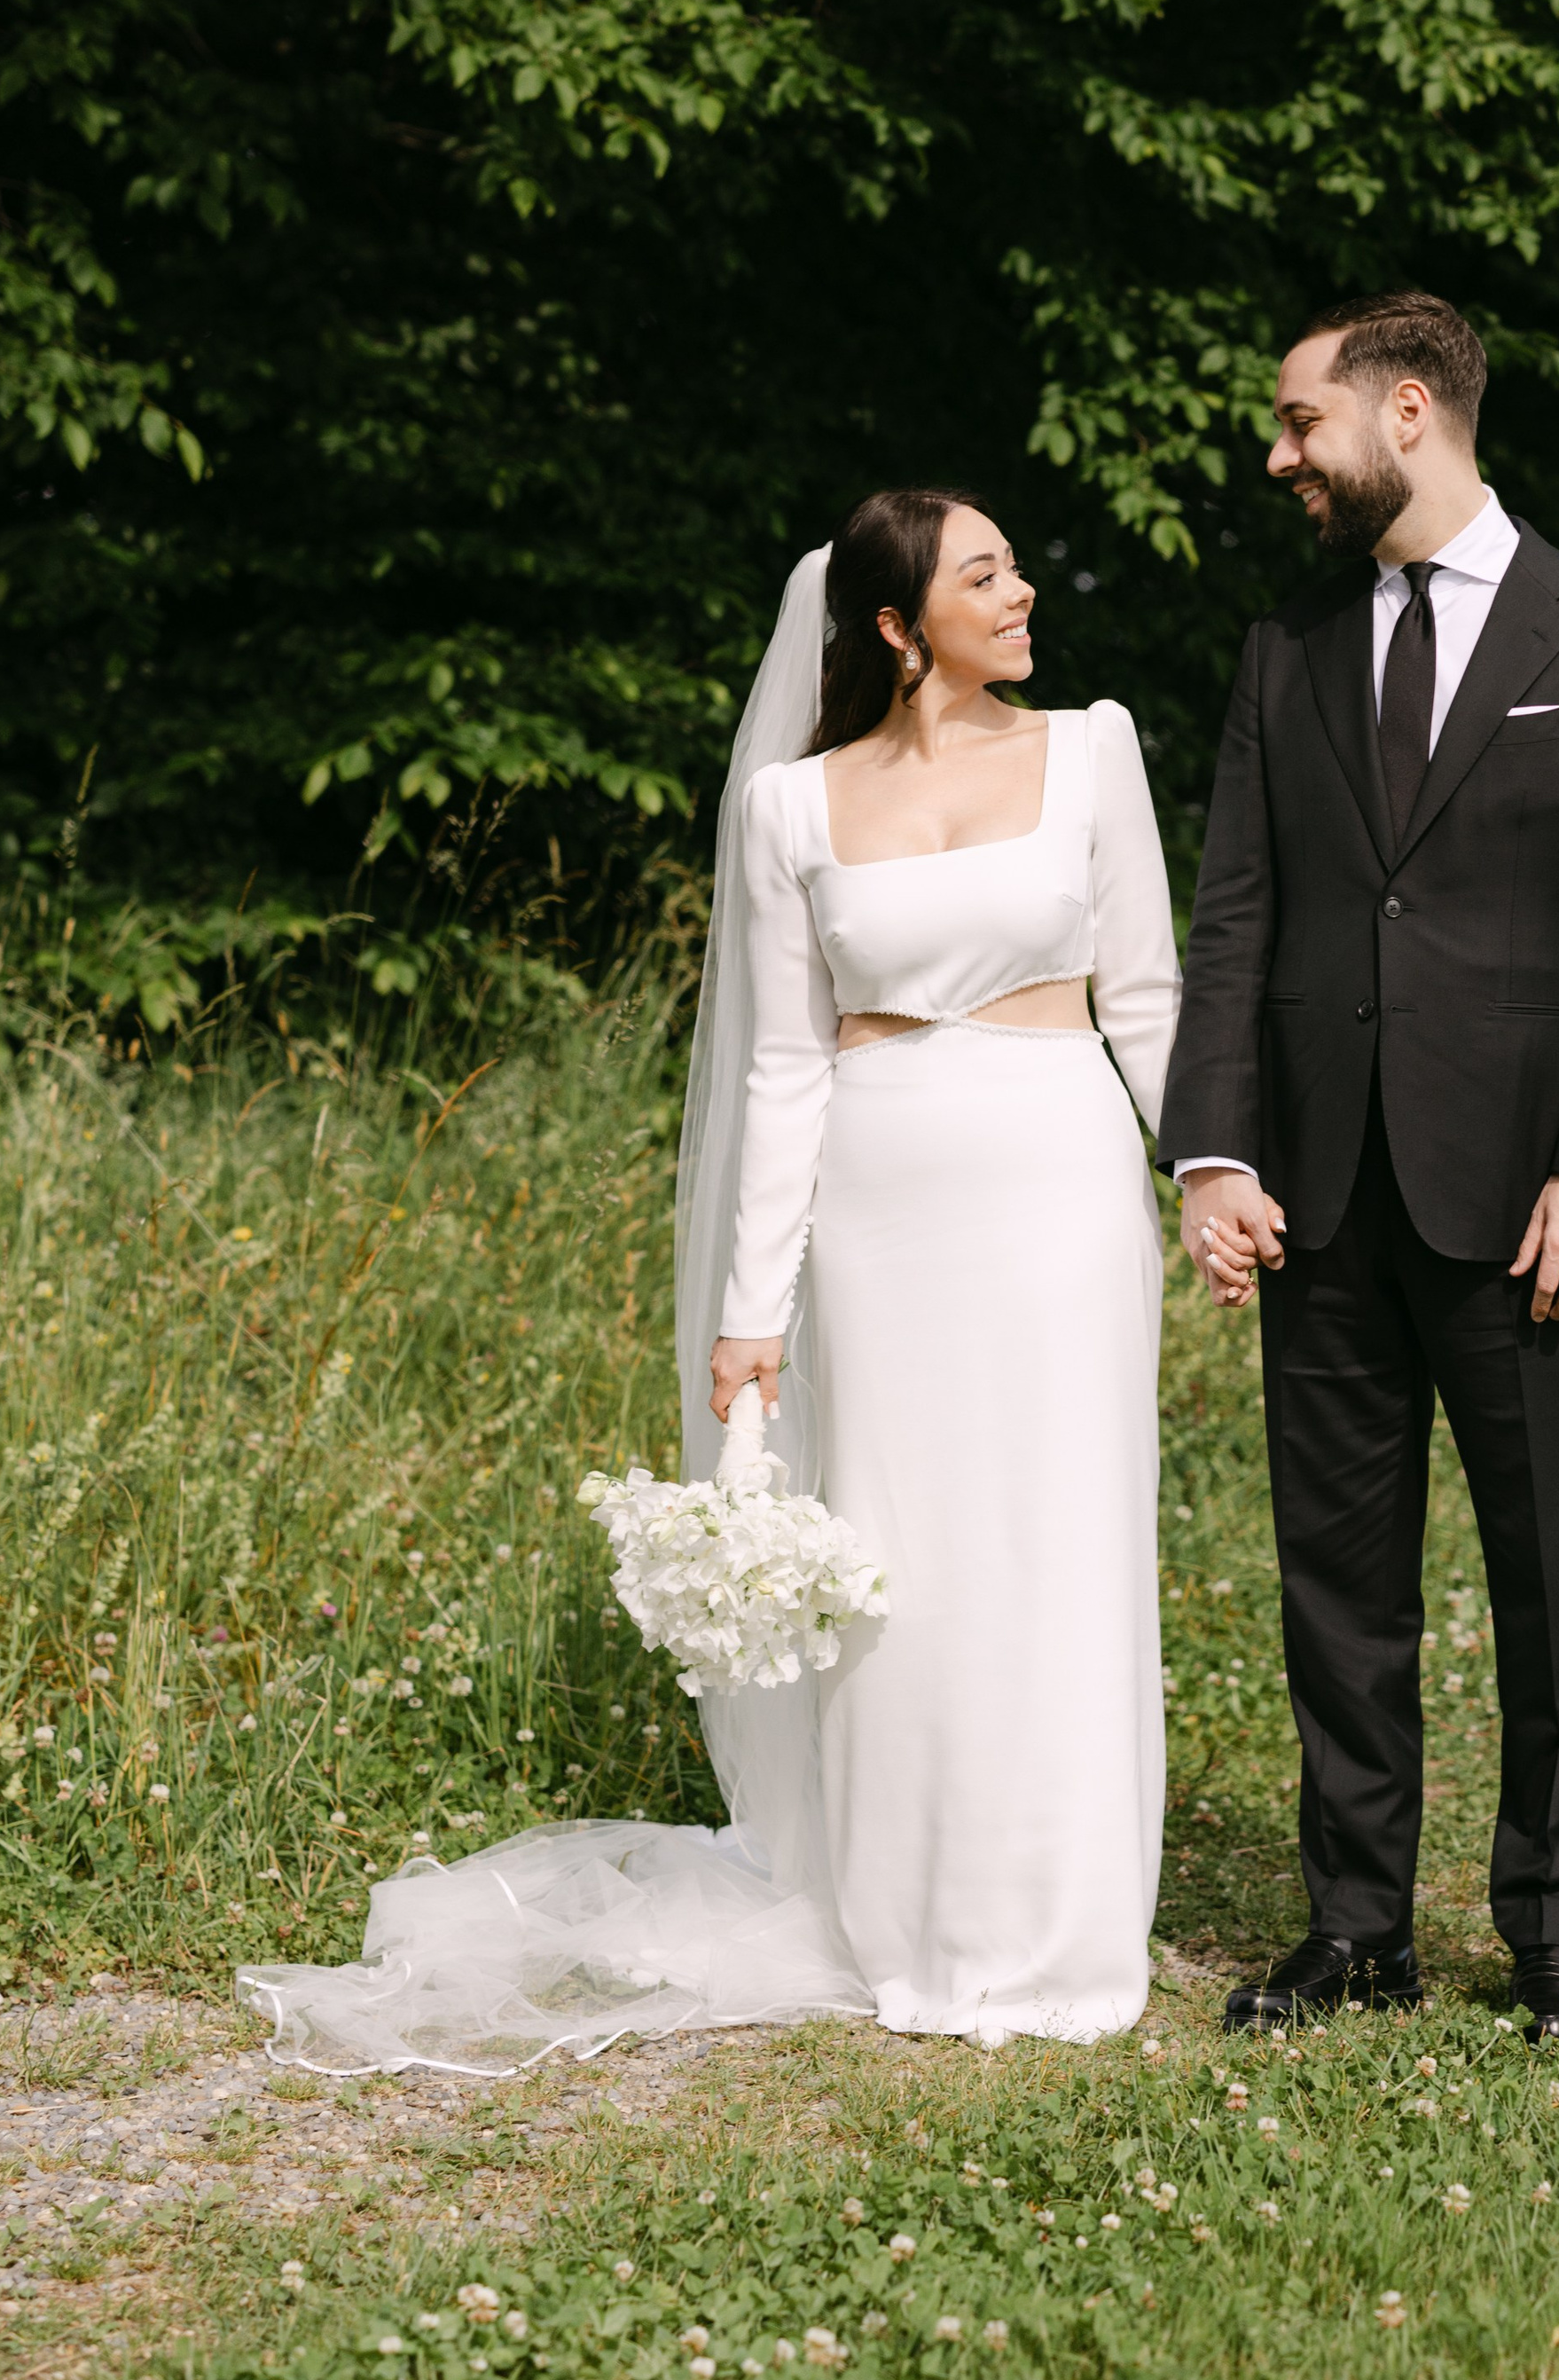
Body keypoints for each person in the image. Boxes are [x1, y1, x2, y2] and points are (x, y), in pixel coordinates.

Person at [239, 492, 1179, 2069]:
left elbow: (1146, 997)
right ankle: (912, 1918)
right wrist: (755, 1307)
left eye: (1013, 567)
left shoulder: (1097, 749)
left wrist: (1210, 1167)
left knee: (1064, 1530)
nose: (1026, 592)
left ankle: (1071, 1923)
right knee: (914, 1549)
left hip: (1064, 1185)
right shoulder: (791, 811)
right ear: (895, 625)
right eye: (986, 572)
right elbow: (782, 1071)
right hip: (885, 1213)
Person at [1159, 293, 1559, 2044]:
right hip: (1314, 1198)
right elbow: (1233, 912)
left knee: (1553, 1572)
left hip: (1526, 1208)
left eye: (1297, 420)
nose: (1278, 454)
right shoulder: (1285, 645)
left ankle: (1552, 1933)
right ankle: (1354, 1925)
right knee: (1336, 1575)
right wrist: (1213, 1147)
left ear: (1406, 410)